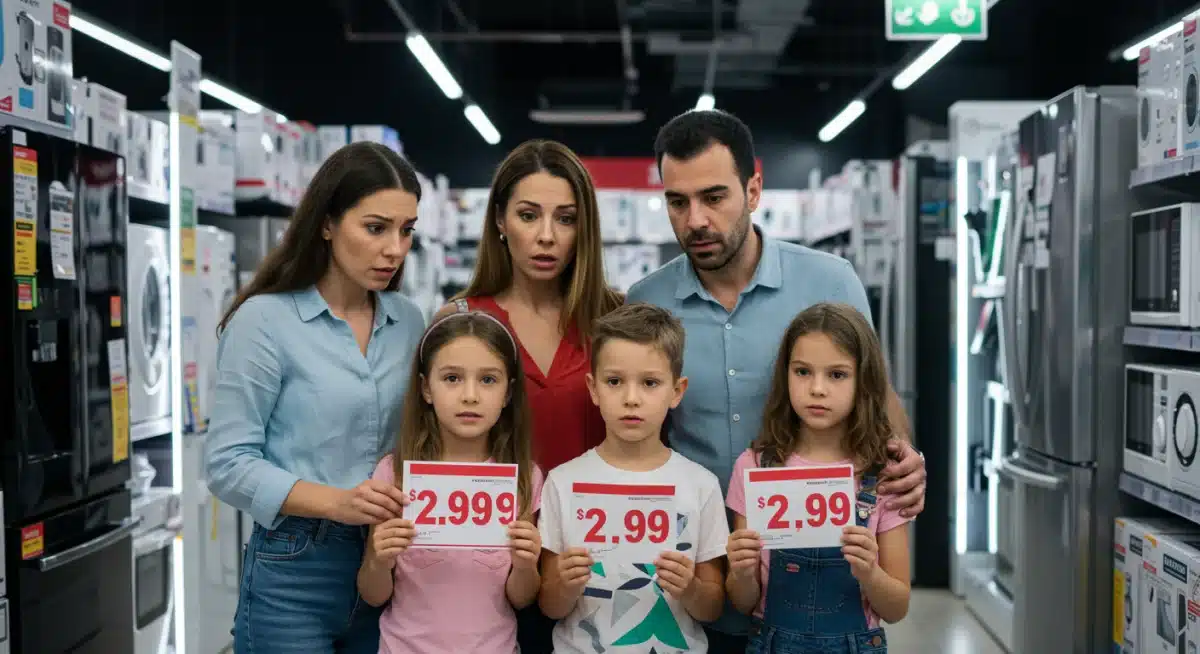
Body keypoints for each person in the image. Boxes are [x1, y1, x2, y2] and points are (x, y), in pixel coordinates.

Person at [625, 109, 927, 650]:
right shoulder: (647, 302)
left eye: (714, 197)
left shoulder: (831, 281)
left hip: (826, 591)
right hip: (696, 582)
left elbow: (878, 401)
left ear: (754, 189)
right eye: (678, 201)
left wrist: (906, 460)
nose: (695, 219)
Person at [206, 142, 428, 653]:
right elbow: (226, 463)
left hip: (392, 563)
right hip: (294, 567)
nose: (395, 248)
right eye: (376, 228)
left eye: (407, 230)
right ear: (327, 223)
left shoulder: (410, 322)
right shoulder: (264, 321)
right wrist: (338, 502)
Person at [439, 139, 623, 652]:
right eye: (528, 215)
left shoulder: (616, 321)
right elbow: (425, 445)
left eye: (565, 219)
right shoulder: (459, 321)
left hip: (595, 566)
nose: (546, 237)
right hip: (486, 570)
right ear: (500, 219)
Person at [538, 303, 730, 652]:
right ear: (593, 389)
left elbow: (713, 608)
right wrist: (564, 585)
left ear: (676, 391)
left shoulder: (700, 486)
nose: (631, 398)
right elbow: (550, 606)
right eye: (614, 382)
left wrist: (690, 589)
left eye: (650, 383)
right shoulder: (562, 483)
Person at [726, 303, 911, 654]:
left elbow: (898, 608)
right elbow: (742, 602)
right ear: (785, 375)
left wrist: (871, 573)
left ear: (863, 380)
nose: (817, 389)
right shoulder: (752, 468)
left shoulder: (884, 475)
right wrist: (741, 572)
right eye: (803, 372)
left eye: (837, 374)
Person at [357, 310, 544, 653]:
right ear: (426, 388)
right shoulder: (392, 473)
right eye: (452, 378)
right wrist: (379, 561)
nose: (469, 395)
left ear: (508, 393)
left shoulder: (525, 477)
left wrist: (526, 563)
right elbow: (373, 593)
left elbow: (522, 598)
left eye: (488, 380)